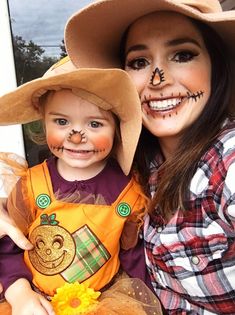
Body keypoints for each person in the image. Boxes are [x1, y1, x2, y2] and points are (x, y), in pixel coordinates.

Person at [1, 0, 235, 314]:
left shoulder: (227, 162)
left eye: (182, 54)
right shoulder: (135, 162)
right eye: (139, 62)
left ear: (217, 66)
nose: (157, 78)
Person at [0, 57, 155, 315]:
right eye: (61, 122)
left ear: (116, 127)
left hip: (102, 306)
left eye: (94, 124)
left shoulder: (130, 194)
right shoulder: (31, 186)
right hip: (32, 305)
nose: (75, 136)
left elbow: (134, 258)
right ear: (43, 120)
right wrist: (21, 295)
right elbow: (7, 247)